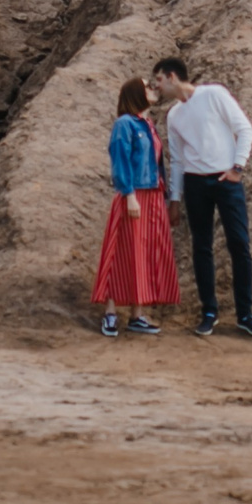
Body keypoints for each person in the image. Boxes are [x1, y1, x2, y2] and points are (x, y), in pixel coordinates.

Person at [152, 57, 252, 339]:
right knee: (202, 247)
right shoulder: (173, 115)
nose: (157, 87)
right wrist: (174, 201)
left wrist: (238, 167)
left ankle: (245, 314)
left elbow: (245, 129)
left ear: (172, 76)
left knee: (239, 244)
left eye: (159, 80)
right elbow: (176, 160)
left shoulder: (213, 94)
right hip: (195, 183)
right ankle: (209, 312)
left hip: (226, 180)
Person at [93, 79, 178, 336]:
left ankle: (137, 315)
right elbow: (120, 161)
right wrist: (129, 194)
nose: (153, 88)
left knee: (144, 252)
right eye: (147, 86)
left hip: (153, 194)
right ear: (134, 93)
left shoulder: (148, 125)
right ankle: (110, 313)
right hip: (135, 193)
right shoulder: (124, 124)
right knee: (121, 250)